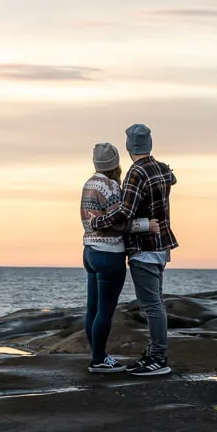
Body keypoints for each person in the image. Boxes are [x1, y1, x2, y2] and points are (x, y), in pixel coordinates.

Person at [86, 124, 178, 377]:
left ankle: (158, 359)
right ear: (150, 144)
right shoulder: (161, 168)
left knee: (152, 306)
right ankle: (152, 353)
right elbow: (172, 179)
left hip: (144, 247)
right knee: (155, 302)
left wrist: (97, 222)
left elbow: (125, 211)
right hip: (161, 245)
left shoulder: (136, 172)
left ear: (128, 147)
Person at [80, 142, 157, 374]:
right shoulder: (110, 186)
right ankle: (98, 361)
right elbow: (116, 221)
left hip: (89, 252)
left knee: (92, 309)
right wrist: (146, 225)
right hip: (109, 253)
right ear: (115, 164)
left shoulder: (88, 184)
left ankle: (98, 356)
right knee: (105, 310)